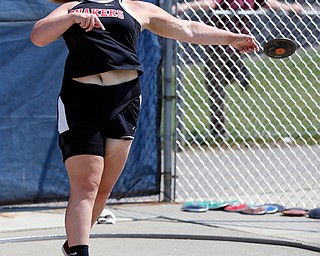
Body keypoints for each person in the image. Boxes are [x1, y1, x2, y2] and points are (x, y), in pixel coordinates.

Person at [30, 0, 259, 255]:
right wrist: (72, 19)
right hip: (81, 100)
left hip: (124, 99)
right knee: (87, 185)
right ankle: (79, 249)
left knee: (103, 188)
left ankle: (73, 243)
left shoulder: (136, 7)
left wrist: (230, 38)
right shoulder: (73, 6)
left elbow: (188, 29)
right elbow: (38, 36)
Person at [176, 0, 302, 139]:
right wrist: (186, 6)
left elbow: (267, 3)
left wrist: (290, 7)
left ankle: (238, 72)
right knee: (215, 88)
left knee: (221, 84)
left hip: (239, 48)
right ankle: (218, 131)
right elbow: (210, 3)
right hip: (217, 48)